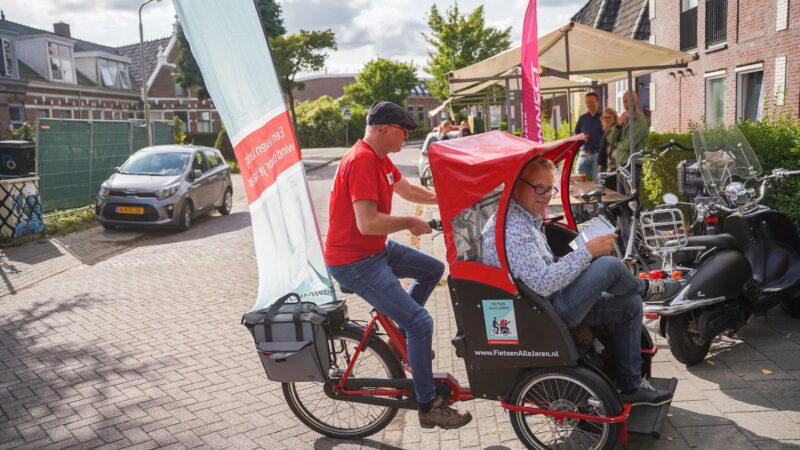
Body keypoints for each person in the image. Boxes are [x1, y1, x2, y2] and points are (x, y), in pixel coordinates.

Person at [481, 157, 681, 406]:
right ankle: (646, 289)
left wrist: (579, 258)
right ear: (516, 186)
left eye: (550, 189)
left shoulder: (521, 217)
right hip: (543, 315)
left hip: (545, 303)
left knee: (629, 305)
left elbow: (538, 271)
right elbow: (543, 283)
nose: (546, 196)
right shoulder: (514, 230)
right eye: (540, 188)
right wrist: (586, 252)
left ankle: (630, 387)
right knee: (609, 266)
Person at [325, 101, 472, 430]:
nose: (406, 136)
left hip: (372, 250)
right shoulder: (362, 161)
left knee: (432, 269)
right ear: (383, 130)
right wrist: (408, 222)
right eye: (403, 131)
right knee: (421, 323)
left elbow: (407, 190)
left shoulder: (379, 158)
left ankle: (399, 342)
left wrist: (448, 198)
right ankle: (428, 404)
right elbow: (367, 223)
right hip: (354, 260)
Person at [607, 90, 650, 168]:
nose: (627, 104)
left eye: (631, 100)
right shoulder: (624, 118)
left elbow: (629, 144)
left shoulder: (641, 120)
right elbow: (611, 139)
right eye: (625, 101)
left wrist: (617, 144)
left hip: (633, 164)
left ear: (637, 101)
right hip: (621, 163)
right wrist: (618, 124)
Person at [574, 92, 604, 182]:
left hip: (598, 155)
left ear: (597, 102)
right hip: (584, 154)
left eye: (592, 102)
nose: (590, 104)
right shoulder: (582, 118)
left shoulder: (604, 117)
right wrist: (581, 137)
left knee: (597, 182)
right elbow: (575, 134)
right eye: (588, 102)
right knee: (579, 181)